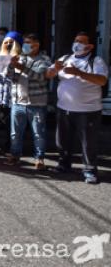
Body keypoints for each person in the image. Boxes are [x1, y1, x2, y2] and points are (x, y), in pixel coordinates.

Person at [46, 32, 108, 184]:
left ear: (90, 46)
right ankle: (64, 164)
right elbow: (48, 74)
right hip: (64, 108)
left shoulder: (96, 61)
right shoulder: (65, 58)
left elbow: (102, 81)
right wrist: (54, 69)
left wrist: (78, 73)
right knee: (63, 140)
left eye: (81, 42)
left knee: (88, 142)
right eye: (76, 40)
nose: (77, 44)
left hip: (88, 110)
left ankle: (90, 170)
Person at [4, 33, 51, 169]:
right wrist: (11, 66)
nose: (25, 45)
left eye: (28, 42)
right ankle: (15, 155)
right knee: (15, 133)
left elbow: (40, 77)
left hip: (36, 103)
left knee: (38, 133)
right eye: (24, 42)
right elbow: (10, 77)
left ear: (36, 45)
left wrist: (21, 67)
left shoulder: (44, 59)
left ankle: (39, 158)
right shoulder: (21, 58)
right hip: (18, 102)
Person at [0, 33, 20, 154]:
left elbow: (18, 76)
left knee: (11, 120)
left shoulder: (18, 57)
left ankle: (11, 144)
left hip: (13, 92)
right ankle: (10, 142)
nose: (8, 44)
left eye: (11, 42)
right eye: (6, 42)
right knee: (3, 118)